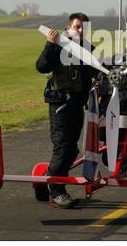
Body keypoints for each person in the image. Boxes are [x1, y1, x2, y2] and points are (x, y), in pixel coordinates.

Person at [36, 12, 95, 208]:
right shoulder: (58, 45)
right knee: (63, 148)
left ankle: (48, 180)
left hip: (77, 105)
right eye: (77, 27)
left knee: (71, 149)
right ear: (69, 27)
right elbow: (42, 66)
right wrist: (50, 44)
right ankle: (57, 192)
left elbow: (99, 68)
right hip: (60, 105)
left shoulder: (87, 49)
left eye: (84, 28)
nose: (80, 30)